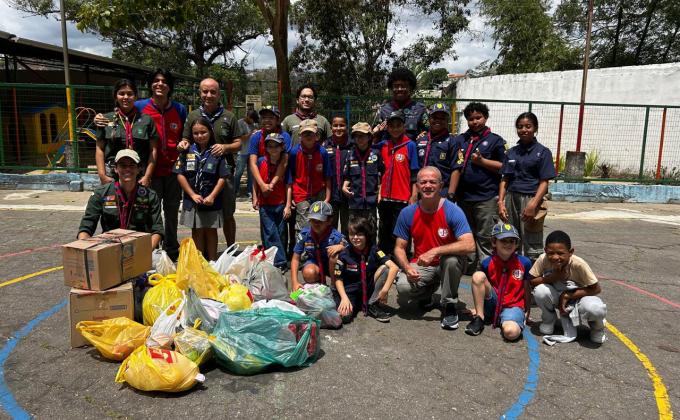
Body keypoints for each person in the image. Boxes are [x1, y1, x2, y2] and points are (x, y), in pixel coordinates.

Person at [94, 70, 186, 260]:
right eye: (156, 81)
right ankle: (138, 251)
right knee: (141, 213)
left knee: (170, 213)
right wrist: (102, 174)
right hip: (134, 173)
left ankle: (169, 249)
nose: (160, 84)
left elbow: (174, 139)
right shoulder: (139, 106)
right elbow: (104, 140)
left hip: (168, 170)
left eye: (164, 81)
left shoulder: (179, 109)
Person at [393, 167, 475, 330]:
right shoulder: (407, 213)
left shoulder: (453, 210)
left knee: (451, 261)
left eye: (433, 182)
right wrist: (407, 268)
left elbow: (470, 245)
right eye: (423, 182)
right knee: (403, 287)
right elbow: (399, 248)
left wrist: (435, 251)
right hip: (423, 265)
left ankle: (449, 306)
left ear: (441, 185)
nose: (428, 186)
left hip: (448, 264)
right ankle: (428, 293)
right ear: (417, 186)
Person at [178, 78, 246, 247]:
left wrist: (225, 147)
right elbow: (186, 139)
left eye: (213, 92)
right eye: (205, 91)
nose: (208, 95)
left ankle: (231, 249)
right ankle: (202, 254)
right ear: (200, 93)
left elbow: (239, 144)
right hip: (199, 175)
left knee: (228, 214)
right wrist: (183, 144)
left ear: (219, 94)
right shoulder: (193, 116)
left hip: (224, 174)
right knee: (200, 216)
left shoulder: (229, 116)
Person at [448, 102, 506, 271]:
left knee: (485, 235)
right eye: (471, 119)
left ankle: (486, 267)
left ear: (485, 118)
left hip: (486, 197)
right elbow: (456, 164)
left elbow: (504, 167)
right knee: (466, 233)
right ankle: (469, 266)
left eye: (478, 118)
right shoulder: (461, 139)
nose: (474, 122)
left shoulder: (495, 140)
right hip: (464, 197)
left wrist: (482, 161)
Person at [529, 230, 607, 344]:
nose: (555, 257)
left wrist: (568, 295)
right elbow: (531, 281)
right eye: (551, 253)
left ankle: (597, 328)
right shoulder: (543, 259)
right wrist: (553, 277)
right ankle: (549, 320)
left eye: (560, 253)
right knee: (540, 291)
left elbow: (596, 289)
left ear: (570, 252)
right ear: (545, 251)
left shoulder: (579, 264)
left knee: (595, 309)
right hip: (556, 295)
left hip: (579, 298)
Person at [499, 112, 556, 261]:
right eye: (520, 127)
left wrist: (533, 203)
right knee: (510, 237)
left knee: (532, 241)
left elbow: (544, 181)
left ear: (535, 128)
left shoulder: (543, 152)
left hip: (531, 198)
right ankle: (513, 271)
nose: (524, 130)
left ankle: (532, 272)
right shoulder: (511, 152)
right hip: (511, 198)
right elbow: (505, 178)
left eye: (528, 126)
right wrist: (501, 202)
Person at [78, 149, 163, 249]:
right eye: (123, 165)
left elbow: (157, 230)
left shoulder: (150, 195)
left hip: (140, 248)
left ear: (139, 169)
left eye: (132, 165)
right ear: (116, 169)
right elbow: (86, 226)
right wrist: (84, 249)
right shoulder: (101, 193)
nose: (127, 169)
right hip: (109, 248)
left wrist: (145, 252)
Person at [465, 223, 533, 340]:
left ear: (517, 244)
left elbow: (527, 287)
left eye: (512, 241)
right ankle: (480, 318)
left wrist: (527, 311)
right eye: (503, 240)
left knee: (511, 333)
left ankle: (508, 318)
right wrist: (477, 308)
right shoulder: (487, 263)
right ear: (494, 242)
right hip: (493, 302)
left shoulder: (524, 263)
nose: (508, 244)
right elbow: (483, 287)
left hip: (512, 306)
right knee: (478, 276)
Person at [174, 118, 230, 261]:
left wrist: (212, 196)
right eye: (196, 133)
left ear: (210, 132)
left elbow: (223, 177)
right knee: (197, 230)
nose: (200, 136)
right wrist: (192, 194)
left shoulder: (216, 151)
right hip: (192, 200)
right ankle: (199, 262)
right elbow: (180, 174)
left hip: (211, 200)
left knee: (211, 231)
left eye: (203, 132)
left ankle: (212, 261)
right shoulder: (187, 151)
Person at [331, 216, 399, 323]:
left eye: (359, 234)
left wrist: (385, 290)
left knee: (386, 268)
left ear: (366, 235)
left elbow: (394, 267)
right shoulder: (345, 254)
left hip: (368, 288)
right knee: (344, 317)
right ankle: (352, 303)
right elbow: (338, 278)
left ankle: (371, 304)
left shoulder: (374, 249)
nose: (355, 238)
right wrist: (344, 298)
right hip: (350, 292)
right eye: (352, 234)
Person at [95, 79, 158, 187]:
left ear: (136, 97)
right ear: (115, 96)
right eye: (121, 93)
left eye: (130, 94)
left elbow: (153, 150)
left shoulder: (147, 120)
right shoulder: (105, 119)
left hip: (138, 173)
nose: (125, 97)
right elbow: (99, 148)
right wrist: (102, 175)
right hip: (112, 174)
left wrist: (147, 176)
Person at [375, 110, 419, 255]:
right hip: (385, 198)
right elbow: (365, 145)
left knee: (401, 232)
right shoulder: (383, 145)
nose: (395, 129)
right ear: (387, 127)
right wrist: (375, 132)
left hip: (403, 198)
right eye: (391, 126)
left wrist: (414, 195)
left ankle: (402, 260)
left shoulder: (410, 145)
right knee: (384, 231)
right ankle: (384, 260)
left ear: (404, 126)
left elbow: (414, 174)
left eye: (398, 125)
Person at [286, 119, 332, 239]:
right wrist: (291, 198)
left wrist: (327, 198)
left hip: (319, 193)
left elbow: (327, 176)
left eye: (311, 133)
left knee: (320, 223)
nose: (308, 136)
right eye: (305, 133)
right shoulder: (294, 153)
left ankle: (319, 248)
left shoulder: (322, 152)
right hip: (301, 194)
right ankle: (303, 249)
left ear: (316, 136)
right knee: (303, 225)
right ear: (300, 136)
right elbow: (291, 177)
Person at [252, 133, 290, 270]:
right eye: (270, 146)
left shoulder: (284, 163)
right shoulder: (261, 161)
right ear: (266, 148)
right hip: (265, 203)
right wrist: (255, 197)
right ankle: (279, 262)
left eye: (276, 146)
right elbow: (255, 181)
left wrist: (287, 205)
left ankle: (277, 258)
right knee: (270, 232)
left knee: (281, 233)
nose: (273, 149)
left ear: (282, 147)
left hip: (280, 202)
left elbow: (288, 185)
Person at [290, 201, 346, 291]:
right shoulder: (305, 234)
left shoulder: (336, 236)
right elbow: (295, 259)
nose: (316, 224)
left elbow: (351, 249)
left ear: (329, 221)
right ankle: (317, 286)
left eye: (320, 221)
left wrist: (341, 247)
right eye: (313, 220)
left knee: (334, 256)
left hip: (332, 266)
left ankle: (334, 286)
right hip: (315, 263)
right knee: (309, 273)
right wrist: (295, 282)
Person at [342, 122, 384, 228]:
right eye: (356, 136)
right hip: (355, 202)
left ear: (369, 137)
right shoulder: (350, 155)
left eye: (362, 135)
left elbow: (382, 175)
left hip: (371, 202)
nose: (359, 138)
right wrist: (344, 186)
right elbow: (347, 176)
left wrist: (380, 193)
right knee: (354, 231)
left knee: (371, 231)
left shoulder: (376, 154)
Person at [372, 68, 428, 141]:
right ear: (391, 88)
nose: (400, 89)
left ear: (411, 88)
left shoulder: (420, 109)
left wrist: (425, 135)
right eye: (396, 86)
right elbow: (374, 135)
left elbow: (430, 132)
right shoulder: (382, 110)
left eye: (404, 86)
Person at [415, 102, 456, 196]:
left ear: (447, 120)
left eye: (442, 118)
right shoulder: (420, 140)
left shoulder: (452, 141)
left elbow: (456, 169)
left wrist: (451, 194)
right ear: (429, 118)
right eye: (435, 117)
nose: (438, 120)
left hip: (443, 192)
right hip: (421, 190)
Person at [323, 115, 353, 236]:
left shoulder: (353, 145)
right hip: (331, 193)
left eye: (342, 125)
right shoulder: (325, 145)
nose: (338, 128)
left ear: (347, 127)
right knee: (330, 225)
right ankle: (332, 245)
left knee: (348, 225)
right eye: (335, 125)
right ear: (331, 127)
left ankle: (347, 246)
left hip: (348, 193)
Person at [234, 109, 259, 198]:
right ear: (248, 117)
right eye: (252, 120)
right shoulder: (239, 123)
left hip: (252, 152)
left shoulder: (255, 124)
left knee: (251, 173)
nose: (253, 122)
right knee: (239, 172)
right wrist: (251, 133)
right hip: (242, 152)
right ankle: (236, 190)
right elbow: (241, 138)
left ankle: (249, 190)